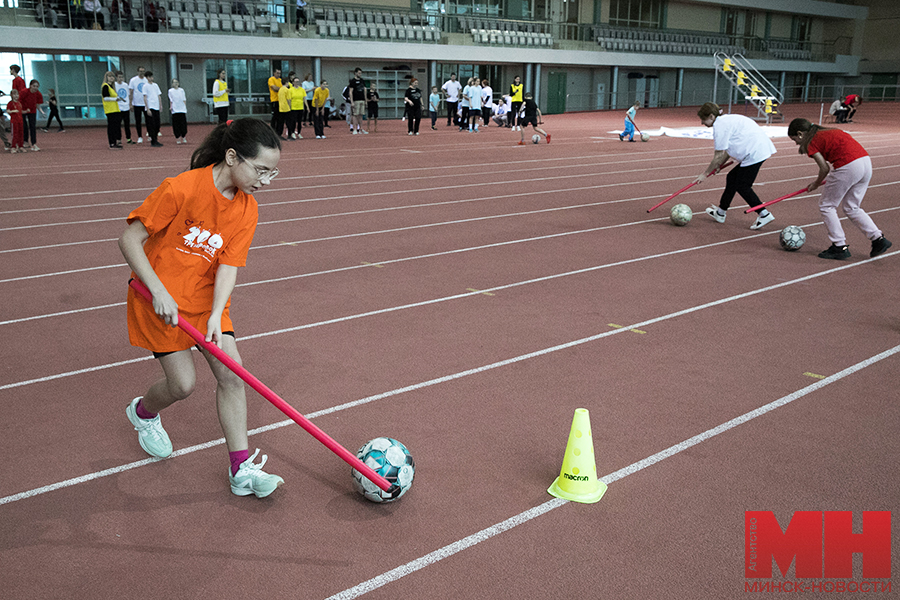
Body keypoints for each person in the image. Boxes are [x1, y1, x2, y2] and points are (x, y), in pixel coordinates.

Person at [118, 118, 285, 499]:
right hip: (159, 298)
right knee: (183, 385)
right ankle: (142, 414)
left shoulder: (247, 210)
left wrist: (216, 314)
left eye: (272, 173)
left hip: (205, 303)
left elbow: (228, 266)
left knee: (232, 374)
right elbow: (130, 237)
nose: (266, 181)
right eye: (260, 170)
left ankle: (241, 470)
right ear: (231, 157)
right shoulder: (181, 188)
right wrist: (158, 291)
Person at [786, 118, 891, 259]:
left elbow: (824, 168)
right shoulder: (830, 130)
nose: (796, 143)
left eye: (794, 140)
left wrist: (816, 183)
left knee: (827, 206)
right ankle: (878, 239)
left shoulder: (811, 142)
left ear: (800, 134)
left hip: (847, 165)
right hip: (865, 162)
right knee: (852, 207)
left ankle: (839, 246)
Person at [694, 102, 776, 230]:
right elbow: (726, 150)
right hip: (757, 148)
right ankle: (721, 212)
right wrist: (719, 166)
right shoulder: (725, 120)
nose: (702, 123)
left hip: (755, 152)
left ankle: (764, 213)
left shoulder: (719, 126)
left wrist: (704, 174)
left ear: (711, 116)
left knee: (742, 185)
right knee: (732, 177)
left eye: (703, 119)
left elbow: (718, 156)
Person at [19, 79, 44, 151]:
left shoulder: (38, 94)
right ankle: (25, 141)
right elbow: (19, 102)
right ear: (30, 86)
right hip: (23, 110)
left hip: (32, 111)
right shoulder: (24, 92)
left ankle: (34, 143)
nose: (35, 88)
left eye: (37, 86)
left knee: (32, 126)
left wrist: (42, 112)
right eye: (34, 86)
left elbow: (38, 105)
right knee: (24, 126)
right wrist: (22, 111)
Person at [102, 70, 123, 149]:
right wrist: (115, 99)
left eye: (112, 76)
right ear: (106, 78)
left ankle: (116, 141)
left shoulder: (112, 87)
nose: (111, 78)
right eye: (110, 76)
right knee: (111, 126)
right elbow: (105, 98)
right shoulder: (105, 86)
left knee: (116, 126)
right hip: (110, 110)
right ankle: (112, 142)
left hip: (115, 109)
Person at [142, 70, 163, 147]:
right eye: (149, 77)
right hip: (150, 107)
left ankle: (156, 139)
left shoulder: (155, 85)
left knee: (157, 124)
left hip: (156, 106)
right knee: (151, 125)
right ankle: (153, 140)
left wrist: (160, 105)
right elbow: (145, 97)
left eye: (152, 77)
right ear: (147, 78)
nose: (151, 78)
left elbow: (159, 96)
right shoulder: (145, 86)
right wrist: (147, 108)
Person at [129, 66, 147, 143]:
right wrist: (131, 104)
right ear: (137, 72)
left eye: (143, 71)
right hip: (137, 104)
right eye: (140, 71)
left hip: (146, 104)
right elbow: (131, 92)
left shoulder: (146, 80)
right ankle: (140, 136)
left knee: (148, 120)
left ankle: (150, 134)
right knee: (138, 121)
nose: (141, 73)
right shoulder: (133, 80)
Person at [115, 71, 134, 144]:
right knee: (118, 124)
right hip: (118, 108)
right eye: (119, 77)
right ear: (116, 77)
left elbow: (128, 95)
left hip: (126, 107)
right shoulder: (115, 85)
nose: (120, 79)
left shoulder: (126, 85)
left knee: (127, 124)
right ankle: (118, 139)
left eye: (122, 77)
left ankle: (128, 138)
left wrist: (129, 104)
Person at [348, 67, 368, 135]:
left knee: (360, 115)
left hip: (362, 99)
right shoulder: (352, 81)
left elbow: (365, 90)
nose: (360, 74)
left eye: (361, 73)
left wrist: (365, 100)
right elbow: (350, 92)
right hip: (356, 100)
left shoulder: (362, 80)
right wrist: (352, 102)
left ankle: (361, 129)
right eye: (359, 73)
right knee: (355, 115)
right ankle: (354, 129)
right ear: (355, 73)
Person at [168, 78, 187, 144]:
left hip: (182, 109)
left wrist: (185, 107)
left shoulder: (181, 90)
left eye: (176, 82)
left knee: (183, 124)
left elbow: (184, 99)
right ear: (172, 84)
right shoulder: (170, 91)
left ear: (178, 83)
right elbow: (171, 100)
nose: (175, 84)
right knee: (176, 124)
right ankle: (177, 137)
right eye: (174, 82)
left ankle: (183, 136)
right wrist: (171, 107)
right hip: (175, 110)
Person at [6, 88, 24, 153]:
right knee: (15, 134)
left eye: (17, 94)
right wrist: (13, 111)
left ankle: (20, 146)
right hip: (14, 121)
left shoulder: (19, 103)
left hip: (20, 120)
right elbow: (8, 111)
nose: (16, 96)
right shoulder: (10, 103)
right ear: (11, 95)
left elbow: (20, 111)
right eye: (14, 94)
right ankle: (13, 147)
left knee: (21, 134)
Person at [268, 67, 282, 132]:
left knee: (280, 117)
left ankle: (278, 131)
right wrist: (281, 89)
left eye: (279, 73)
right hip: (274, 100)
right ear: (274, 73)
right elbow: (274, 88)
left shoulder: (280, 80)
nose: (278, 74)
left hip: (280, 100)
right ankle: (273, 130)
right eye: (277, 73)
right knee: (274, 117)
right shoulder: (271, 79)